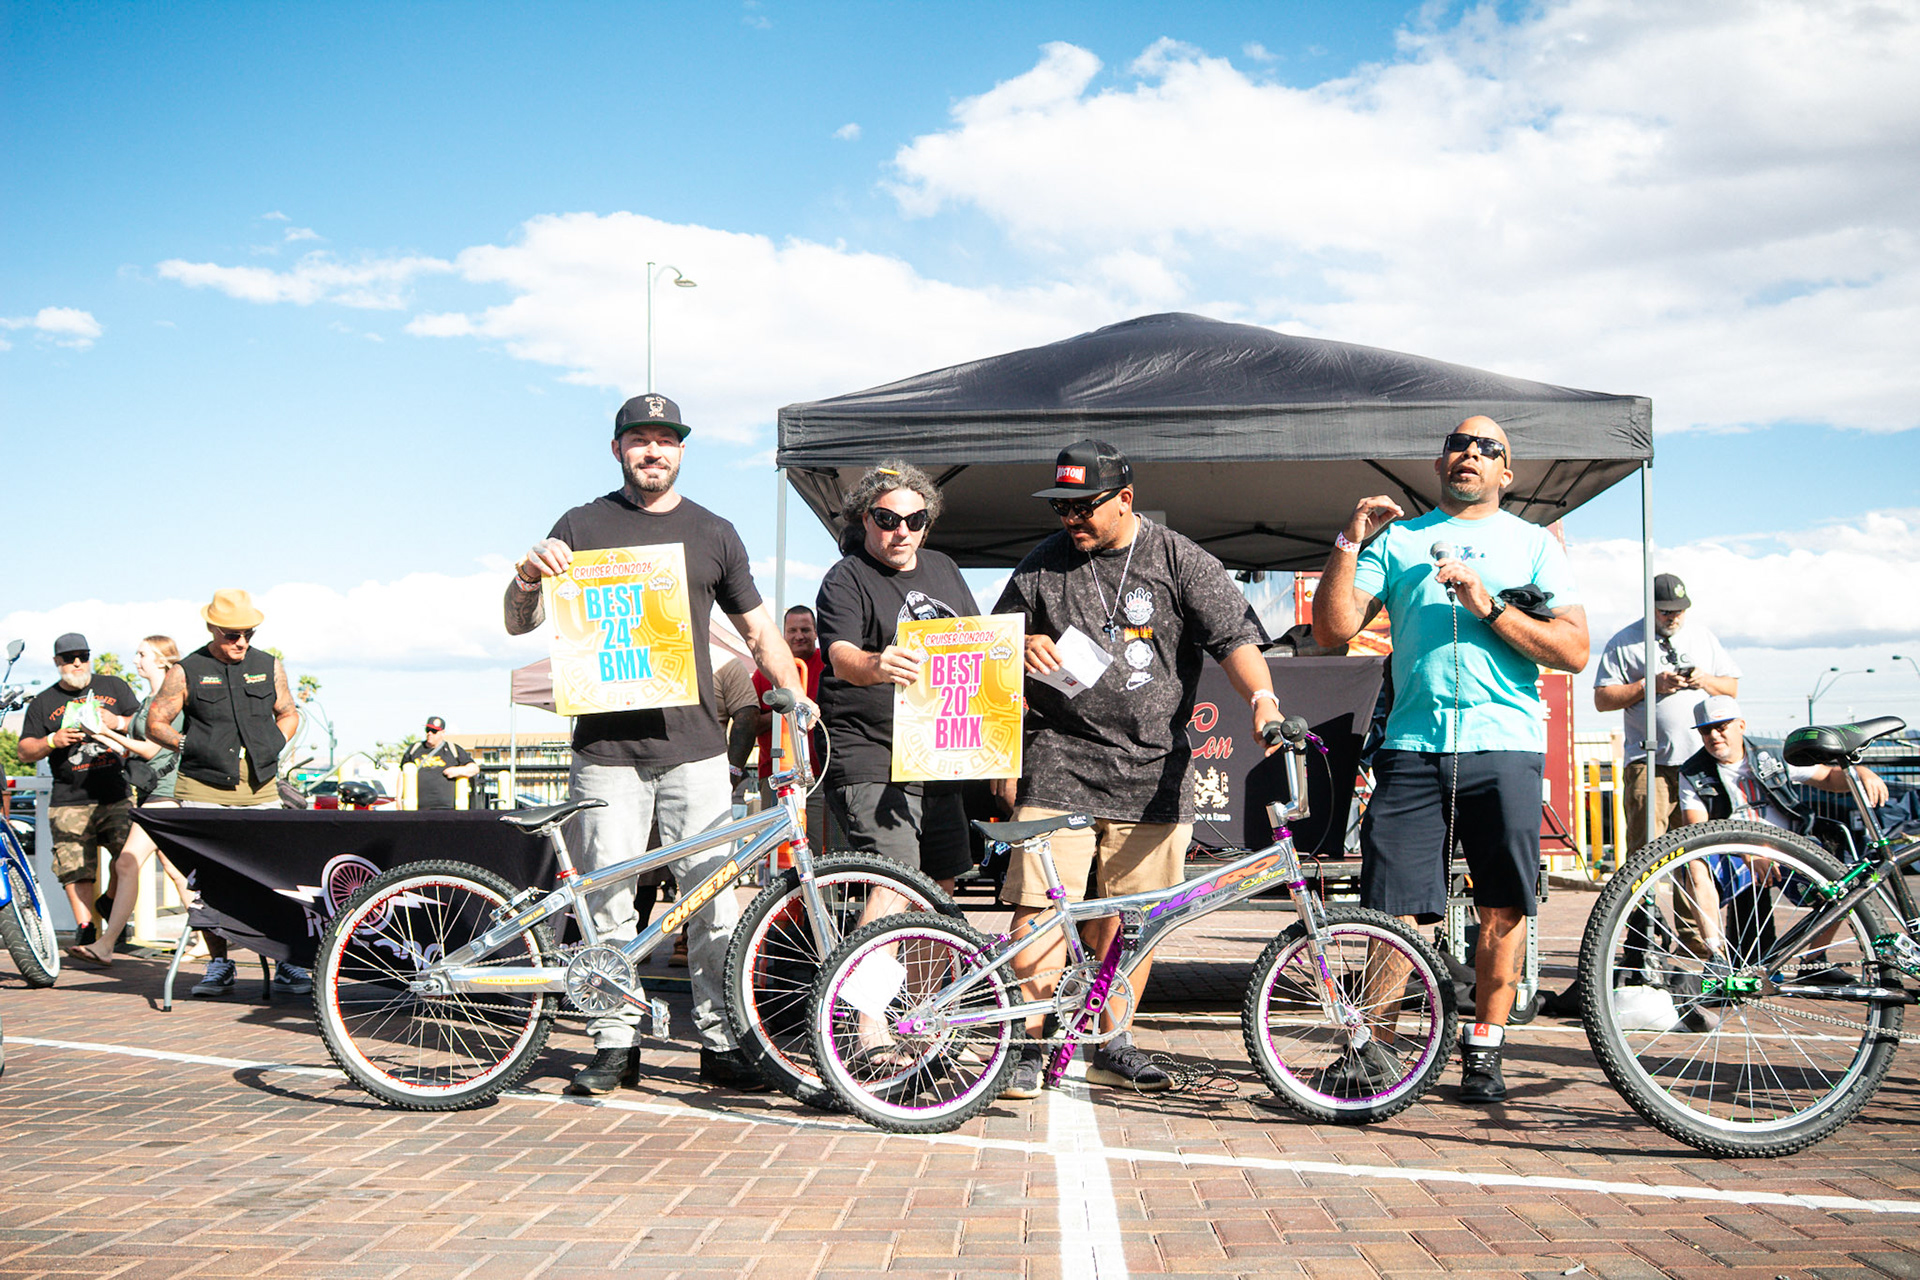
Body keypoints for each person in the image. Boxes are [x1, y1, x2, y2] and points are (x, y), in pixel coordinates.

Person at [505, 391, 810, 1096]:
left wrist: (795, 693)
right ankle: (616, 1041)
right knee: (608, 902)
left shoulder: (714, 532)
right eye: (639, 439)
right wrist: (527, 574)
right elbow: (519, 623)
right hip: (604, 753)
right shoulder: (579, 525)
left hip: (698, 749)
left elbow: (760, 630)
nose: (653, 451)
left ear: (681, 451)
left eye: (666, 440)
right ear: (617, 449)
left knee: (713, 904)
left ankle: (721, 1041)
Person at [1312, 416, 1589, 1104]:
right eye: (1458, 444)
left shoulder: (1534, 544)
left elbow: (1574, 651)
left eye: (1488, 447)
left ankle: (1485, 1049)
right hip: (1412, 747)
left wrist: (1486, 605)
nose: (1471, 453)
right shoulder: (1398, 540)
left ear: (1506, 473)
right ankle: (1372, 1049)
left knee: (1502, 905)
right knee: (1394, 911)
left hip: (1506, 744)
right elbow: (1332, 631)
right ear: (1439, 465)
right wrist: (1349, 540)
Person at [992, 440, 1280, 1099]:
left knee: (1134, 917)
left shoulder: (1178, 559)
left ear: (1124, 499)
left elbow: (1235, 637)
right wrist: (1018, 645)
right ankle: (1026, 1046)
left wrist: (1263, 699)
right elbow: (988, 649)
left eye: (1083, 506)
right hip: (1059, 759)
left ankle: (1110, 1040)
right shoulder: (1042, 564)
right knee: (1039, 908)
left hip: (1153, 771)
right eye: (1060, 507)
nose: (1070, 519)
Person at [815, 463, 979, 906]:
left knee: (940, 889)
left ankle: (919, 959)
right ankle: (863, 958)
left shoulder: (944, 568)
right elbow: (840, 656)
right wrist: (877, 663)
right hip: (871, 755)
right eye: (887, 519)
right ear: (865, 519)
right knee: (899, 884)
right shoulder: (846, 577)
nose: (902, 531)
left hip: (936, 754)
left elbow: (976, 645)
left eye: (915, 520)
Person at [144, 589, 305, 997]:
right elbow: (155, 723)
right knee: (208, 881)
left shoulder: (269, 665)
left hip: (262, 788)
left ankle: (287, 962)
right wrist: (190, 746)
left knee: (275, 877)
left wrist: (274, 743)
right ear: (212, 628)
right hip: (202, 786)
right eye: (233, 634)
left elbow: (289, 712)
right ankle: (219, 963)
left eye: (248, 633)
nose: (241, 641)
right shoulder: (186, 670)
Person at [1674, 695, 1889, 981]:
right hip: (1733, 851)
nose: (1714, 735)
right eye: (1705, 730)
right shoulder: (1693, 772)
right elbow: (1697, 831)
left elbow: (1827, 777)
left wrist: (1861, 773)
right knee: (1694, 864)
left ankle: (1815, 962)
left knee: (1845, 882)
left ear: (1741, 725)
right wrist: (1748, 852)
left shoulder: (1773, 753)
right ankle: (1717, 959)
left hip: (1789, 847)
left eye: (1721, 727)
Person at [67, 636, 196, 966]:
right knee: (175, 869)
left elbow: (154, 749)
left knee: (126, 863)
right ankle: (210, 936)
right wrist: (100, 731)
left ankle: (106, 944)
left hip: (168, 791)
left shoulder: (169, 700)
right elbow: (134, 747)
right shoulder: (148, 699)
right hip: (152, 791)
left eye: (142, 654)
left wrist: (106, 733)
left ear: (161, 660)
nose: (136, 660)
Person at [1594, 573, 1740, 845]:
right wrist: (1650, 685)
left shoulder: (1703, 637)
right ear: (1650, 608)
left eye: (1679, 611)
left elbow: (1731, 688)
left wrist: (1704, 680)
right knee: (1647, 847)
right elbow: (1603, 699)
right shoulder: (1624, 641)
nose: (1673, 618)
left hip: (1698, 762)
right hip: (1649, 762)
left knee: (1696, 847)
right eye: (1665, 612)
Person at [16, 633, 141, 944]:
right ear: (56, 662)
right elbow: (24, 751)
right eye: (69, 658)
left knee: (129, 856)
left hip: (116, 793)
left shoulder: (114, 687)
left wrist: (117, 721)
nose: (76, 663)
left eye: (82, 656)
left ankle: (109, 903)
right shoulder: (43, 701)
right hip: (69, 799)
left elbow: (142, 723)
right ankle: (86, 929)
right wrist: (52, 740)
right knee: (74, 867)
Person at [752, 606, 831, 849]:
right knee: (777, 849)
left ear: (816, 632)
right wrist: (786, 714)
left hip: (819, 775)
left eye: (805, 630)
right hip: (776, 774)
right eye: (792, 630)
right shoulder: (765, 672)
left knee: (816, 848)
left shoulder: (828, 666)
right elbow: (751, 721)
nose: (799, 636)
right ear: (783, 633)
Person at [401, 716, 479, 811]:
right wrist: (398, 799)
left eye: (434, 731)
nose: (430, 733)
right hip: (416, 808)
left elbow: (474, 768)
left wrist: (457, 771)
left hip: (447, 808)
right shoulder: (414, 749)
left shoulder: (453, 749)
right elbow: (402, 774)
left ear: (442, 733)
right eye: (428, 730)